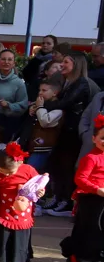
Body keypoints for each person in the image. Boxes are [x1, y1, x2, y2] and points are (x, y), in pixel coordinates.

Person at [39, 53, 95, 216]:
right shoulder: (68, 82)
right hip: (64, 129)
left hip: (73, 131)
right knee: (58, 165)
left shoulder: (81, 83)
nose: (62, 65)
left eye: (66, 62)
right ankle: (58, 197)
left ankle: (67, 201)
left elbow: (64, 103)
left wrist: (42, 104)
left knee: (67, 166)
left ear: (76, 65)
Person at [0, 142, 40, 262]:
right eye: (1, 171)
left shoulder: (29, 170)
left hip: (21, 212)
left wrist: (40, 192)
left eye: (9, 172)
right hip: (2, 211)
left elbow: (38, 185)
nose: (5, 174)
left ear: (19, 164)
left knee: (18, 238)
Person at [62, 116, 104, 262]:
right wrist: (97, 189)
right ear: (94, 139)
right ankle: (77, 260)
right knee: (89, 231)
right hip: (90, 200)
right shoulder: (90, 158)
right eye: (102, 138)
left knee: (100, 233)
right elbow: (80, 179)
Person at [23, 34, 58, 99]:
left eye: (48, 43)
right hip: (32, 90)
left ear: (54, 45)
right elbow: (26, 73)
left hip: (48, 92)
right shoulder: (35, 59)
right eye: (43, 43)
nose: (45, 45)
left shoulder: (56, 60)